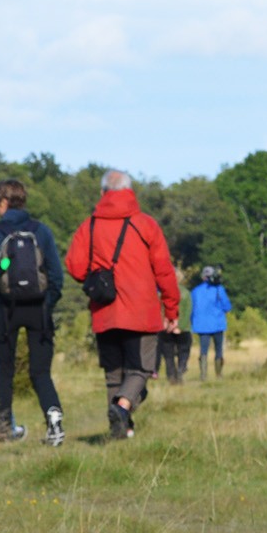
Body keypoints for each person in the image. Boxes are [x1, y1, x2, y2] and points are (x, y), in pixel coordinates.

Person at [64, 169, 179, 440]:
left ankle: (118, 432)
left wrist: (97, 275)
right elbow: (164, 271)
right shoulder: (146, 224)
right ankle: (122, 407)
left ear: (103, 193)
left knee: (113, 376)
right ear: (130, 191)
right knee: (140, 371)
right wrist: (171, 310)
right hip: (141, 313)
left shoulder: (89, 226)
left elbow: (74, 266)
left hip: (105, 311)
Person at [0, 178, 65, 444]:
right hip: (38, 310)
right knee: (40, 372)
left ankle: (4, 429)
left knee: (3, 371)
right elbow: (57, 276)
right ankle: (54, 421)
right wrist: (47, 303)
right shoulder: (42, 231)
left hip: (6, 311)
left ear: (3, 203)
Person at [190, 265, 233, 379]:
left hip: (201, 325)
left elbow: (191, 309)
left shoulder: (195, 291)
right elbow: (227, 306)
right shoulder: (219, 289)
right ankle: (219, 374)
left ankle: (203, 375)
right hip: (217, 324)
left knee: (203, 351)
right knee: (218, 350)